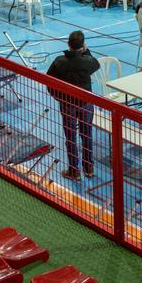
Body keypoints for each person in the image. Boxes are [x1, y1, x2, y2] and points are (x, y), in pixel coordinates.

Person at [46, 30, 99, 181]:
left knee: (70, 137)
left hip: (68, 104)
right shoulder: (88, 61)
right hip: (86, 103)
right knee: (86, 134)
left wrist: (59, 98)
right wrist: (86, 51)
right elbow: (95, 63)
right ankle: (88, 168)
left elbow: (49, 82)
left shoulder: (59, 61)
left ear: (68, 44)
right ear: (82, 45)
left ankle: (73, 170)